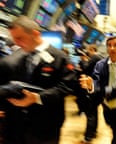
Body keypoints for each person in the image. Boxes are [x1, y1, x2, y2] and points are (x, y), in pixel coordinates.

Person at [0, 15, 76, 144]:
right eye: (14, 39)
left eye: (19, 38)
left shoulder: (60, 57)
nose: (16, 43)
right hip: (18, 125)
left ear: (35, 34)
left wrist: (37, 98)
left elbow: (67, 86)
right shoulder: (18, 57)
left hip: (45, 125)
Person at [79, 36, 116, 144]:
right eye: (109, 45)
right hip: (107, 105)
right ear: (107, 48)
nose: (112, 48)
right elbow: (96, 81)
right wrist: (91, 85)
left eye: (115, 45)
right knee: (114, 128)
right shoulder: (100, 65)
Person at [74, 45, 103, 144]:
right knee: (94, 112)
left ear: (92, 50)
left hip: (92, 89)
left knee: (90, 113)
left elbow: (86, 69)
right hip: (98, 89)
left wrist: (83, 60)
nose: (87, 52)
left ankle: (88, 137)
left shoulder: (94, 58)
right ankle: (93, 132)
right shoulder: (100, 58)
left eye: (88, 50)